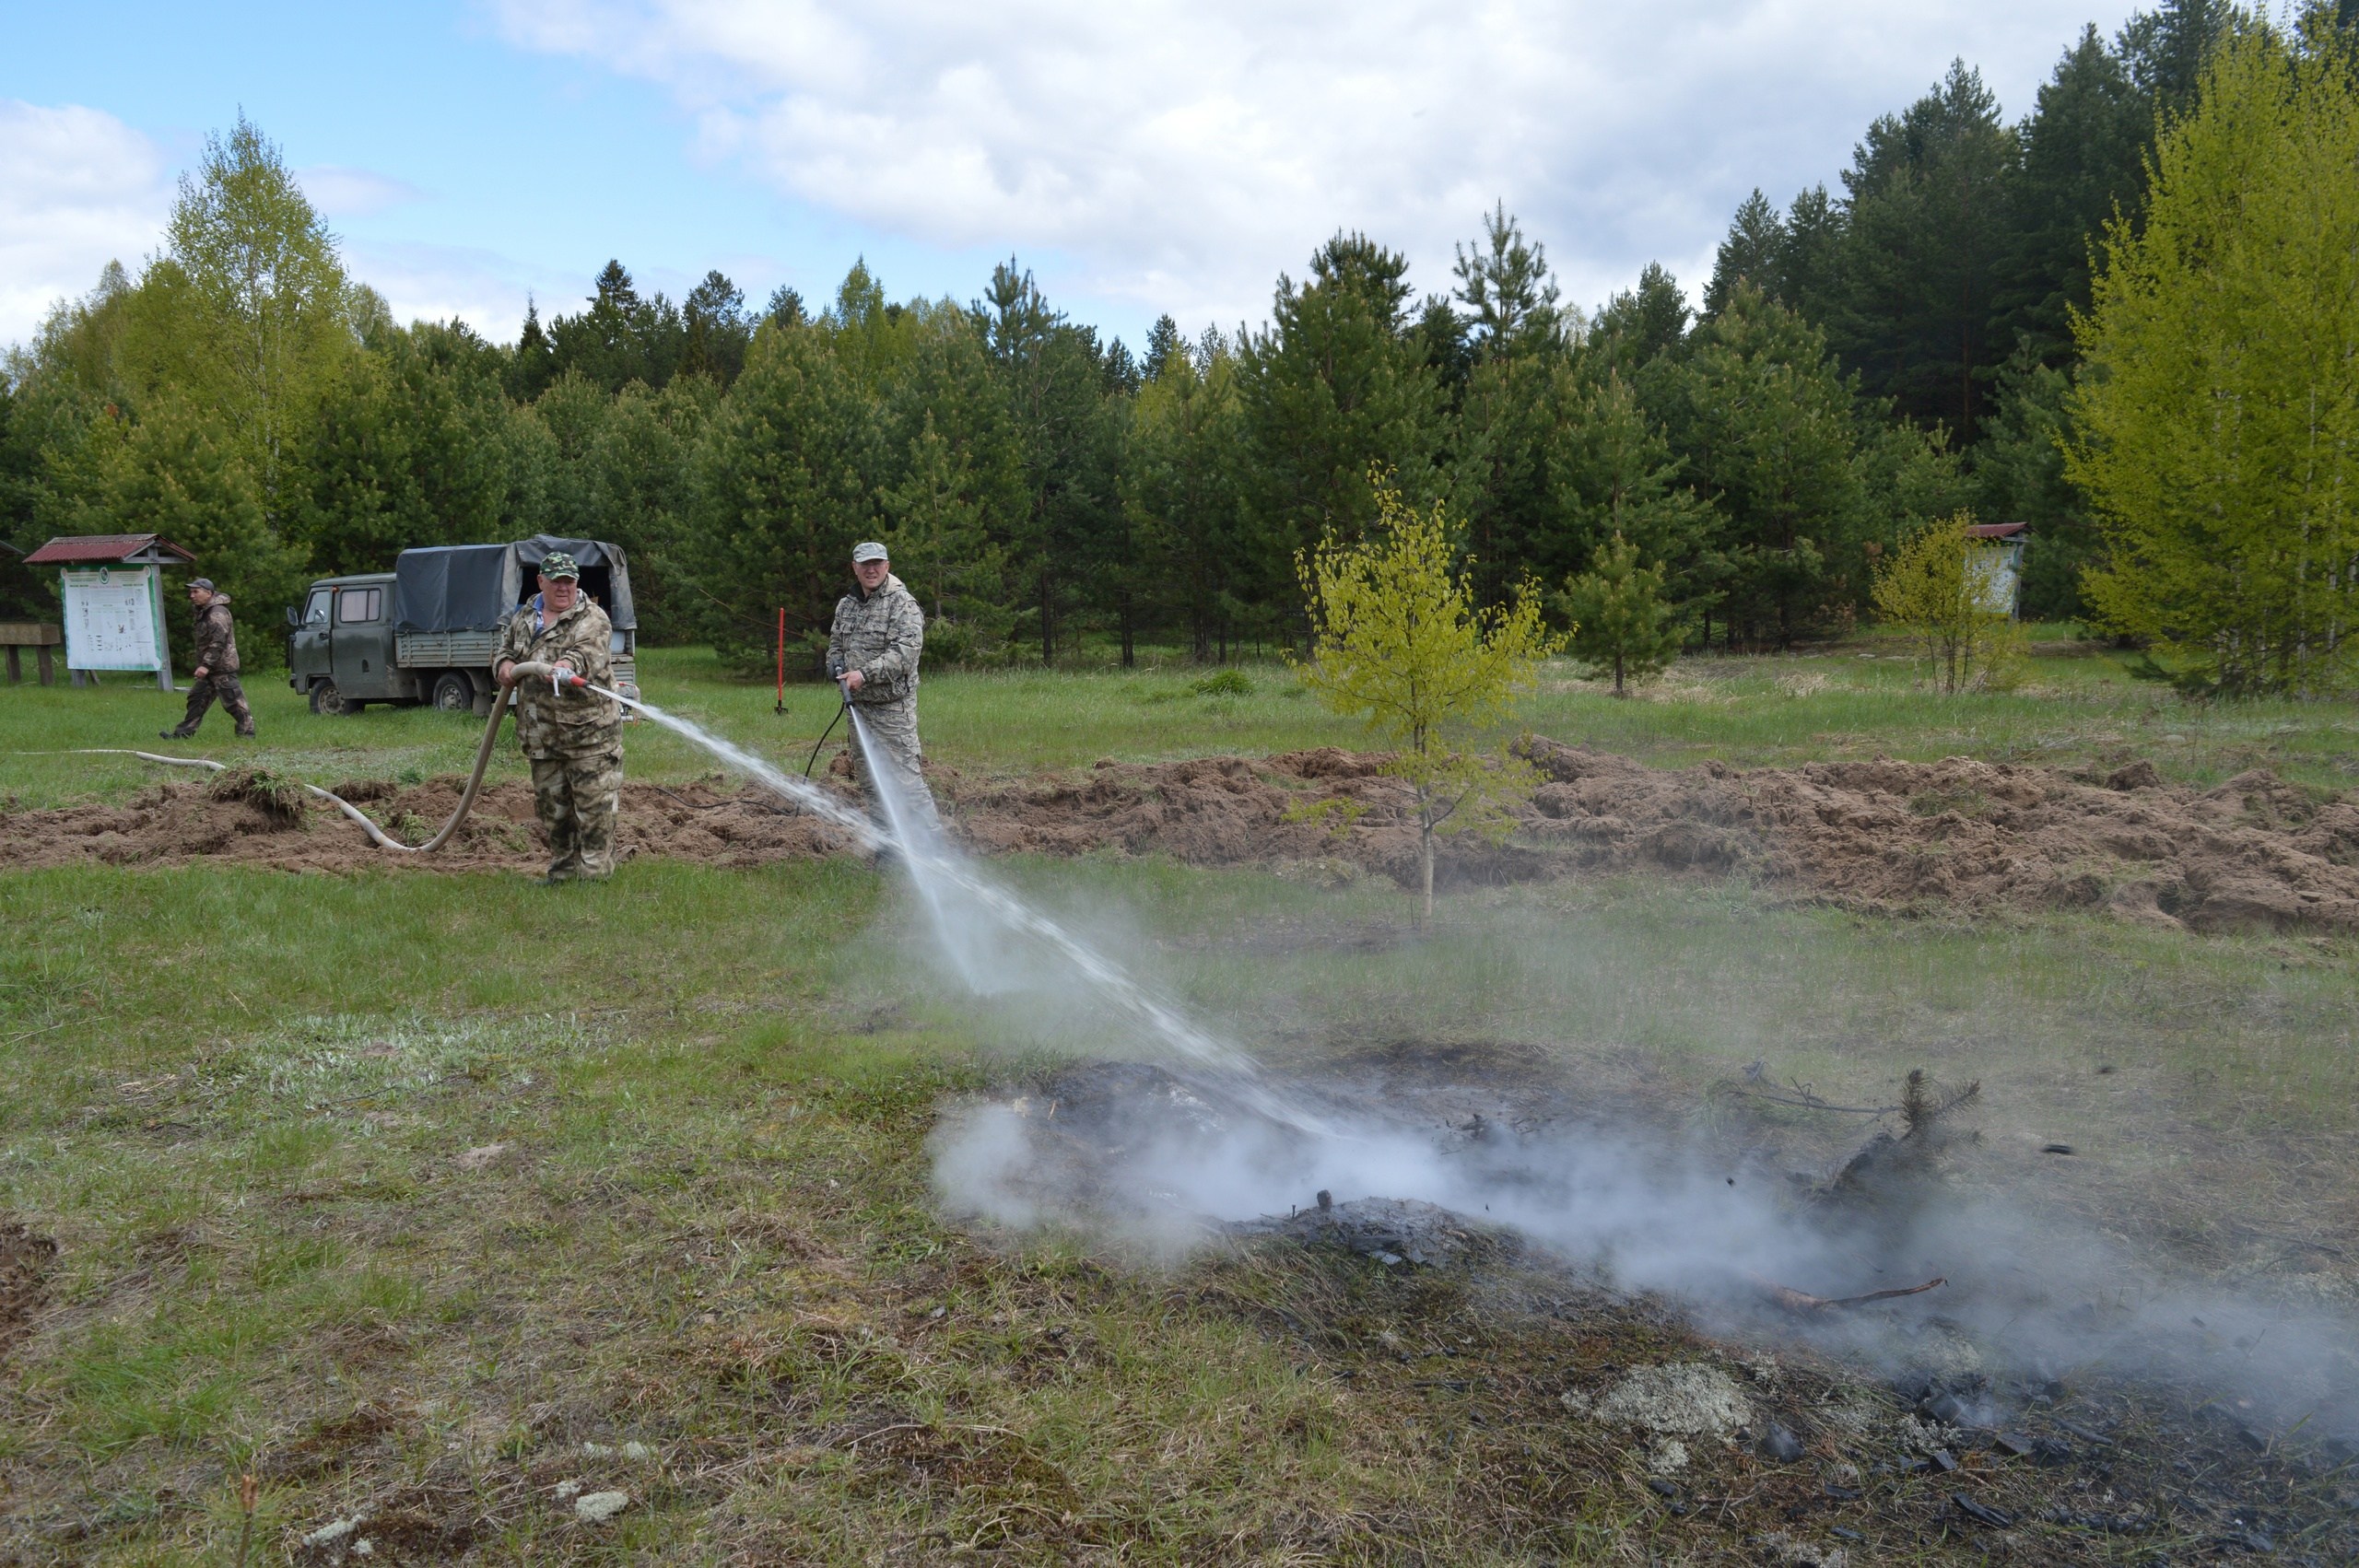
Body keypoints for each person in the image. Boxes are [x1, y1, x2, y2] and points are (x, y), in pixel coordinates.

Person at [494, 552, 622, 883]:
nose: (563, 588)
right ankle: (562, 872)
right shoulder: (524, 617)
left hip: (589, 737)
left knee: (594, 812)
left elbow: (587, 653)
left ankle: (594, 876)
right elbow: (506, 650)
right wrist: (505, 666)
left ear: (577, 582)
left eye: (569, 581)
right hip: (541, 737)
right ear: (541, 582)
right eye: (556, 581)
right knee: (554, 812)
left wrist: (566, 664)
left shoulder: (592, 618)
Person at [827, 541, 939, 845]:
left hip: (892, 710)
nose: (871, 569)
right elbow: (836, 644)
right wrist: (834, 664)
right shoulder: (846, 605)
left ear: (887, 566)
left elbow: (905, 655)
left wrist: (864, 674)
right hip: (857, 710)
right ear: (855, 568)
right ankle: (889, 846)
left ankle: (933, 846)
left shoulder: (903, 605)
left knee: (906, 781)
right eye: (865, 564)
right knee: (871, 781)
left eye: (877, 563)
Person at [161, 578, 253, 740]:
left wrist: (205, 665)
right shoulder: (204, 611)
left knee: (233, 702)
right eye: (191, 592)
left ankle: (247, 733)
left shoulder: (217, 613)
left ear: (208, 593)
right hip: (211, 668)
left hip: (222, 667)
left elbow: (218, 642)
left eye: (196, 591)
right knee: (196, 699)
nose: (192, 595)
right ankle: (183, 734)